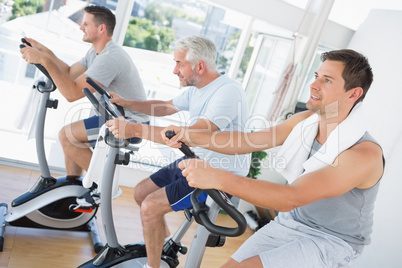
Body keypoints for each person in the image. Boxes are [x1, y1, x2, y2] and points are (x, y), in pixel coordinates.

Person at [162, 49, 384, 268]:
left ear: (353, 94)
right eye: (316, 76)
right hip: (292, 222)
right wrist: (190, 136)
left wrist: (217, 177)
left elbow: (291, 197)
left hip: (332, 241)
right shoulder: (306, 121)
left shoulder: (364, 154)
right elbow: (249, 142)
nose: (313, 85)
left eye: (327, 80)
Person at [105, 35, 250, 268]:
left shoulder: (227, 92)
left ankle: (154, 266)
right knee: (141, 192)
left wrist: (133, 128)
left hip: (218, 174)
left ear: (199, 66)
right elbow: (165, 106)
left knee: (151, 207)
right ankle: (162, 250)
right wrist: (127, 102)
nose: (174, 70)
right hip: (195, 161)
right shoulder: (198, 88)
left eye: (179, 63)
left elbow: (193, 135)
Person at [20, 5, 149, 206]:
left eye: (86, 24)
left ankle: (105, 187)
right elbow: (70, 73)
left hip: (130, 121)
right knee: (71, 136)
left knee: (67, 135)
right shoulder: (96, 52)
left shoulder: (110, 58)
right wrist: (43, 51)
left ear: (101, 29)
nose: (81, 27)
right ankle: (76, 190)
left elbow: (72, 93)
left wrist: (44, 60)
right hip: (114, 114)